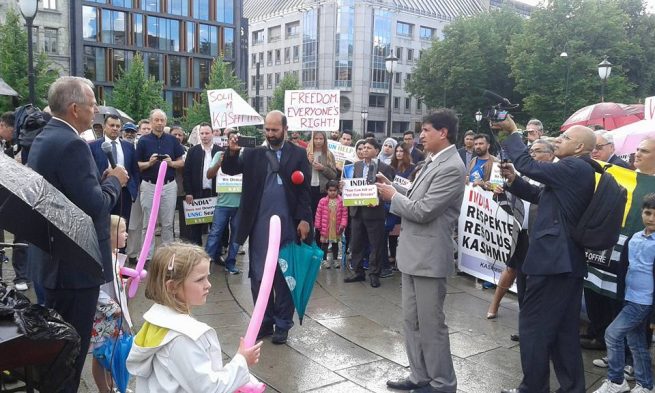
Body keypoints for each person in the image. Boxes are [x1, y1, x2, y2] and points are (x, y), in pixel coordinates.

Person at [27, 76, 128, 392]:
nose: (96, 110)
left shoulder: (47, 136)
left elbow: (68, 194)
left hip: (52, 262)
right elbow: (96, 205)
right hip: (73, 270)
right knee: (70, 354)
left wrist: (95, 182)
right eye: (92, 105)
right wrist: (114, 181)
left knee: (57, 352)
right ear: (74, 109)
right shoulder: (72, 144)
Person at [496, 117, 597, 393]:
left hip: (553, 262)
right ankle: (572, 388)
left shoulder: (573, 166)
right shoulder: (577, 170)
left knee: (532, 328)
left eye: (564, 139)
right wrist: (515, 180)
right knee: (564, 333)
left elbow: (528, 164)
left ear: (579, 147)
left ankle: (533, 388)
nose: (557, 142)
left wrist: (513, 131)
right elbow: (540, 195)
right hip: (565, 264)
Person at [377, 109, 465, 393]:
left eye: (426, 130)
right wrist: (392, 188)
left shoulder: (452, 166)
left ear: (444, 132)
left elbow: (424, 210)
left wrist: (393, 197)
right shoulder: (433, 161)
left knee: (431, 324)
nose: (421, 136)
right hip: (413, 255)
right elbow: (415, 198)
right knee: (411, 321)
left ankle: (442, 382)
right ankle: (420, 375)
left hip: (429, 256)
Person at [221, 110, 312, 345]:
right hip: (259, 224)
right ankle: (264, 319)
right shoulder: (253, 154)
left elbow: (304, 193)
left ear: (285, 129)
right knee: (259, 275)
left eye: (275, 130)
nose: (270, 134)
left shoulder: (299, 154)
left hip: (288, 225)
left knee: (284, 274)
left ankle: (283, 324)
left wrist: (304, 219)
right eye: (267, 130)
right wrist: (231, 152)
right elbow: (230, 169)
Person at [126, 242, 262, 392]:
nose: (208, 285)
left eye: (207, 277)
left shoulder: (157, 322)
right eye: (199, 279)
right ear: (172, 287)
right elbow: (209, 389)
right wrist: (242, 361)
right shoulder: (182, 338)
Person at [485, 139, 556, 320]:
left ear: (551, 154)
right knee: (521, 280)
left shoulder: (553, 177)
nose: (532, 154)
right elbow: (513, 202)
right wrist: (501, 192)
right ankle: (525, 321)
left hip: (540, 238)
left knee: (536, 284)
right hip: (520, 235)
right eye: (530, 151)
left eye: (537, 151)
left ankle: (534, 324)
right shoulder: (524, 176)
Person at [593, 193, 655, 393]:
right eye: (647, 213)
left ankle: (616, 380)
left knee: (612, 334)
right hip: (629, 298)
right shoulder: (633, 238)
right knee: (636, 343)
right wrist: (621, 298)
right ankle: (646, 385)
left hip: (644, 301)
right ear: (641, 213)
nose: (651, 218)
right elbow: (622, 270)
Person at [343, 137, 395, 288]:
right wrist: (344, 187)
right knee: (356, 243)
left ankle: (374, 273)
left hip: (375, 211)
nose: (364, 150)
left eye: (368, 148)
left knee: (376, 244)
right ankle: (358, 271)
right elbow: (350, 185)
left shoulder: (385, 168)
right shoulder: (355, 166)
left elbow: (388, 189)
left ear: (376, 151)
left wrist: (376, 196)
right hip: (357, 211)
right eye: (363, 147)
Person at [136, 109, 185, 258]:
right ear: (151, 122)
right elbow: (137, 165)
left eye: (162, 120)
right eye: (156, 120)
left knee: (168, 223)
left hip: (168, 185)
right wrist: (149, 163)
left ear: (165, 122)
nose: (159, 123)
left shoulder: (172, 140)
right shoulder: (143, 141)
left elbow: (182, 162)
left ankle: (167, 257)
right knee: (148, 223)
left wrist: (171, 163)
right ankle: (147, 256)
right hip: (149, 185)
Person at [91, 215, 128, 393]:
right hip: (103, 315)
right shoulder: (102, 257)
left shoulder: (113, 255)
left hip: (114, 314)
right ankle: (104, 389)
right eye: (122, 231)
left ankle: (111, 386)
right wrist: (111, 307)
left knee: (110, 352)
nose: (126, 234)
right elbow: (95, 288)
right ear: (110, 234)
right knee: (100, 355)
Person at [89, 114, 140, 227]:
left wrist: (133, 190)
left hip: (124, 193)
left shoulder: (128, 146)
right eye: (112, 125)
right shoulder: (93, 146)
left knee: (122, 228)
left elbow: (135, 170)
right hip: (103, 192)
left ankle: (121, 246)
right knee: (104, 226)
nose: (115, 128)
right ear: (104, 127)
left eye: (117, 126)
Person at [205, 128, 242, 274]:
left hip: (239, 204)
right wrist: (218, 164)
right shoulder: (220, 154)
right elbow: (209, 175)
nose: (233, 141)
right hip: (222, 203)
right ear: (227, 141)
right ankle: (206, 262)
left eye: (236, 138)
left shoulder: (243, 155)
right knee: (215, 233)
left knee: (236, 235)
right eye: (231, 138)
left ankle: (231, 262)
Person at [183, 123, 220, 246]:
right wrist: (188, 192)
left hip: (215, 193)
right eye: (202, 133)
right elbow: (187, 173)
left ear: (212, 134)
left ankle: (215, 252)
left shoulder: (220, 151)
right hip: (197, 193)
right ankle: (197, 250)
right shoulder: (193, 151)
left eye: (207, 133)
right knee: (195, 226)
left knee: (216, 225)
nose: (204, 136)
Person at [388, 143, 417, 267]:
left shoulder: (412, 168)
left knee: (403, 231)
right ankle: (393, 255)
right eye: (397, 151)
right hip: (392, 201)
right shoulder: (391, 167)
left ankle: (404, 258)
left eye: (401, 151)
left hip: (406, 201)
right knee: (392, 231)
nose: (399, 153)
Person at [315, 180, 348, 269]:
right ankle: (324, 260)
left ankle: (336, 259)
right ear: (327, 190)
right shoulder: (322, 201)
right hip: (325, 227)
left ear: (338, 190)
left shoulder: (341, 201)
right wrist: (318, 225)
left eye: (334, 190)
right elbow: (318, 214)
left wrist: (343, 224)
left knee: (335, 244)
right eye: (330, 190)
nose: (332, 192)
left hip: (336, 227)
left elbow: (344, 215)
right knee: (324, 244)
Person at [306, 131, 338, 218]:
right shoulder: (306, 153)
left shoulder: (329, 154)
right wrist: (307, 162)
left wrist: (323, 169)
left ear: (325, 140)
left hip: (322, 190)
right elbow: (300, 171)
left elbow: (334, 175)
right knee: (309, 217)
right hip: (308, 189)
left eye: (321, 139)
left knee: (321, 217)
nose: (318, 141)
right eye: (316, 139)